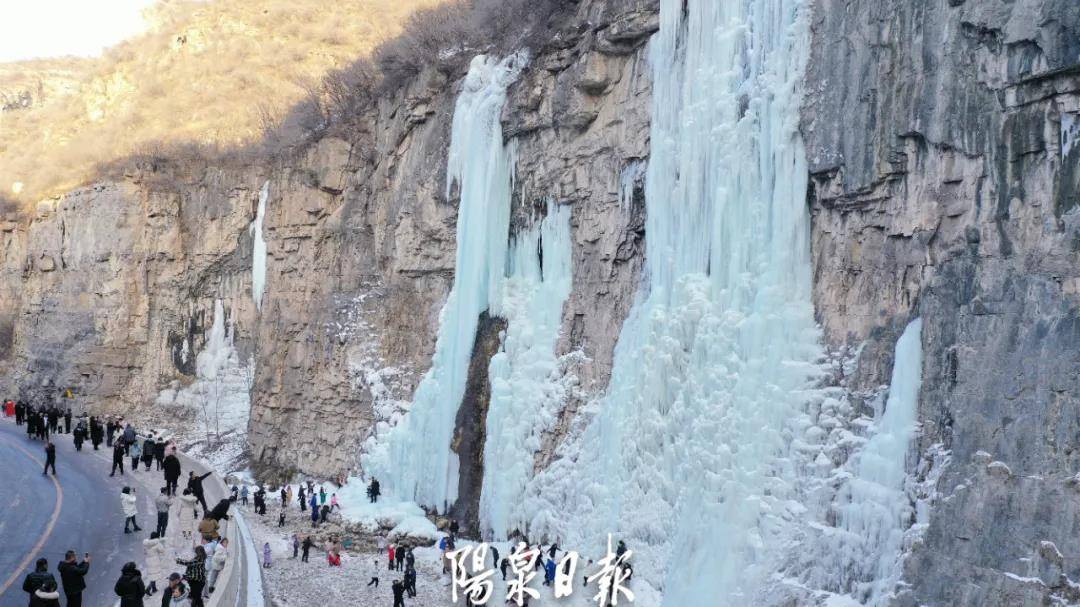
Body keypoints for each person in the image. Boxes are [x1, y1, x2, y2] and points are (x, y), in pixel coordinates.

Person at [142, 532, 168, 597]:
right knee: (155, 575)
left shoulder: (146, 544)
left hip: (148, 561)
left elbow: (144, 552)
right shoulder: (157, 543)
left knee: (152, 575)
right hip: (155, 561)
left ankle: (154, 588)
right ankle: (148, 588)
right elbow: (162, 550)